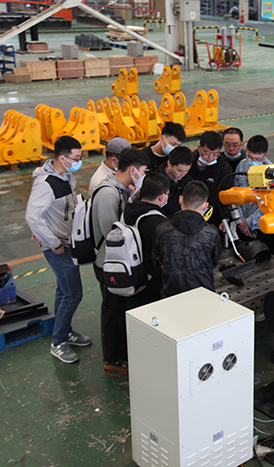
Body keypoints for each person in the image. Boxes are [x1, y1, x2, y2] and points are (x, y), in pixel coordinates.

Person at [25, 135, 91, 364]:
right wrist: (53, 243)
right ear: (62, 158)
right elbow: (32, 216)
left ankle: (65, 331)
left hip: (68, 241)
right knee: (73, 294)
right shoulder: (46, 184)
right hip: (58, 246)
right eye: (76, 158)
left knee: (64, 291)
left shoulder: (66, 176)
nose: (79, 161)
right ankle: (58, 342)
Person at [92, 149, 149, 374]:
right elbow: (113, 235)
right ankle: (113, 361)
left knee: (118, 309)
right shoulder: (108, 193)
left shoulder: (120, 189)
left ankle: (118, 352)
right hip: (109, 262)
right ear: (132, 170)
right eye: (143, 171)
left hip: (117, 261)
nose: (144, 175)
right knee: (113, 311)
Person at [154, 181, 223, 297]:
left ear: (180, 199)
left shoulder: (161, 230)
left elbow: (156, 263)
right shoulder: (211, 232)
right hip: (203, 293)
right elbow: (214, 261)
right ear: (205, 206)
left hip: (171, 293)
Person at [123, 173, 170, 309]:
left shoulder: (129, 210)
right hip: (150, 282)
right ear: (162, 197)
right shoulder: (157, 222)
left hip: (131, 274)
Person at [234, 135, 274, 252]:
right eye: (250, 157)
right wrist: (241, 221)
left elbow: (269, 203)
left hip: (262, 227)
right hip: (242, 226)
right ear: (246, 150)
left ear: (265, 155)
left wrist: (249, 222)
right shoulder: (242, 165)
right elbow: (236, 194)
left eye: (257, 159)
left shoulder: (273, 173)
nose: (253, 162)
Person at [189, 131, 233, 228]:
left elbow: (227, 194)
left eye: (215, 154)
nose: (210, 157)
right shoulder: (189, 163)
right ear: (199, 148)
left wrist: (225, 218)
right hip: (189, 214)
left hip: (213, 218)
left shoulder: (224, 168)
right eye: (206, 153)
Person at [156, 146, 193, 217]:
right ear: (169, 163)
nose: (183, 174)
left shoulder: (188, 181)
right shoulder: (156, 181)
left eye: (186, 170)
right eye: (179, 170)